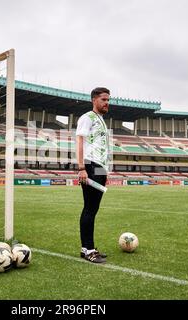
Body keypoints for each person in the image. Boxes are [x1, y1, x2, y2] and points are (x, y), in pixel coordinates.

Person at [75, 87, 110, 263]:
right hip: (90, 165)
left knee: (93, 209)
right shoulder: (87, 117)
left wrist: (105, 171)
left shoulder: (101, 120)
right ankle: (87, 249)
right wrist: (81, 167)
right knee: (89, 208)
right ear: (94, 100)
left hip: (100, 167)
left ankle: (89, 247)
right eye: (104, 99)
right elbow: (80, 140)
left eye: (108, 100)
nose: (107, 103)